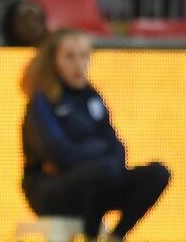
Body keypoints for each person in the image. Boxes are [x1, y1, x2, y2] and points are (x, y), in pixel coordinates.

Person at [21, 29, 171, 240]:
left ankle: (116, 236)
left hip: (98, 183)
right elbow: (58, 152)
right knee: (104, 171)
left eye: (84, 56)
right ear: (53, 61)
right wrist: (99, 156)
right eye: (70, 57)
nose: (78, 64)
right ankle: (90, 237)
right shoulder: (42, 102)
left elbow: (117, 147)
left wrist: (100, 158)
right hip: (51, 189)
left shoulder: (92, 97)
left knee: (157, 173)